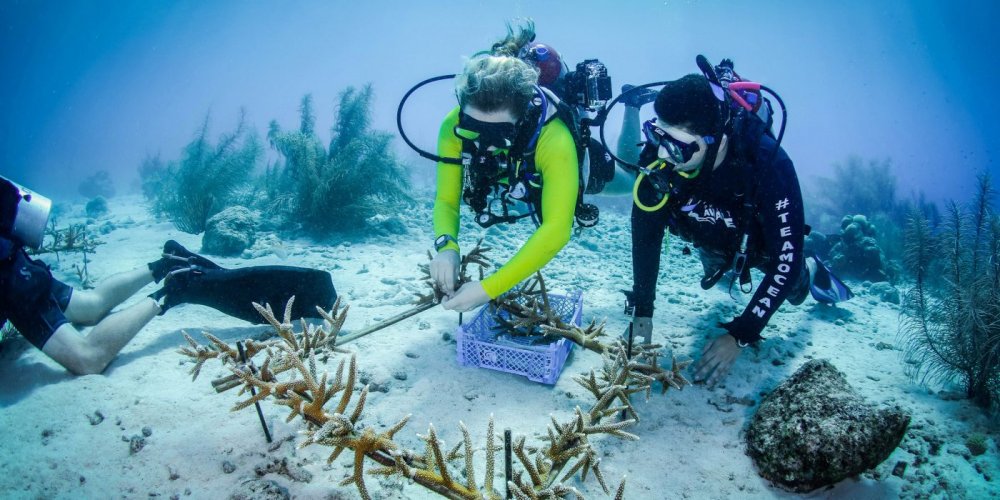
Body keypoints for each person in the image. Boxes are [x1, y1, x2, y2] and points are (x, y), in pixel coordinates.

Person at [619, 66, 851, 387]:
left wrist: (741, 333)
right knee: (716, 272)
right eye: (656, 135)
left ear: (713, 140)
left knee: (794, 282)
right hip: (708, 236)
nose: (662, 154)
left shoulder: (769, 165)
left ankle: (812, 267)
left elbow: (783, 263)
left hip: (760, 245)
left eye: (677, 146)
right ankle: (722, 262)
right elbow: (645, 236)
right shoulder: (659, 161)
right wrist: (643, 313)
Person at [1, 176, 336, 375]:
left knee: (88, 357)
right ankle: (164, 265)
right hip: (11, 264)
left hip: (9, 275)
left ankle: (173, 289)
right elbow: (91, 306)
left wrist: (165, 294)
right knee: (87, 306)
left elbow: (87, 359)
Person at [428, 51, 580, 312]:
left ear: (521, 122)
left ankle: (632, 109)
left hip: (555, 168)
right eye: (472, 130)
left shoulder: (553, 138)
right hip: (511, 172)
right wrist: (446, 246)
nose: (483, 147)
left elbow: (557, 229)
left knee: (616, 182)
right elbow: (446, 200)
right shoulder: (452, 126)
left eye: (498, 136)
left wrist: (489, 289)